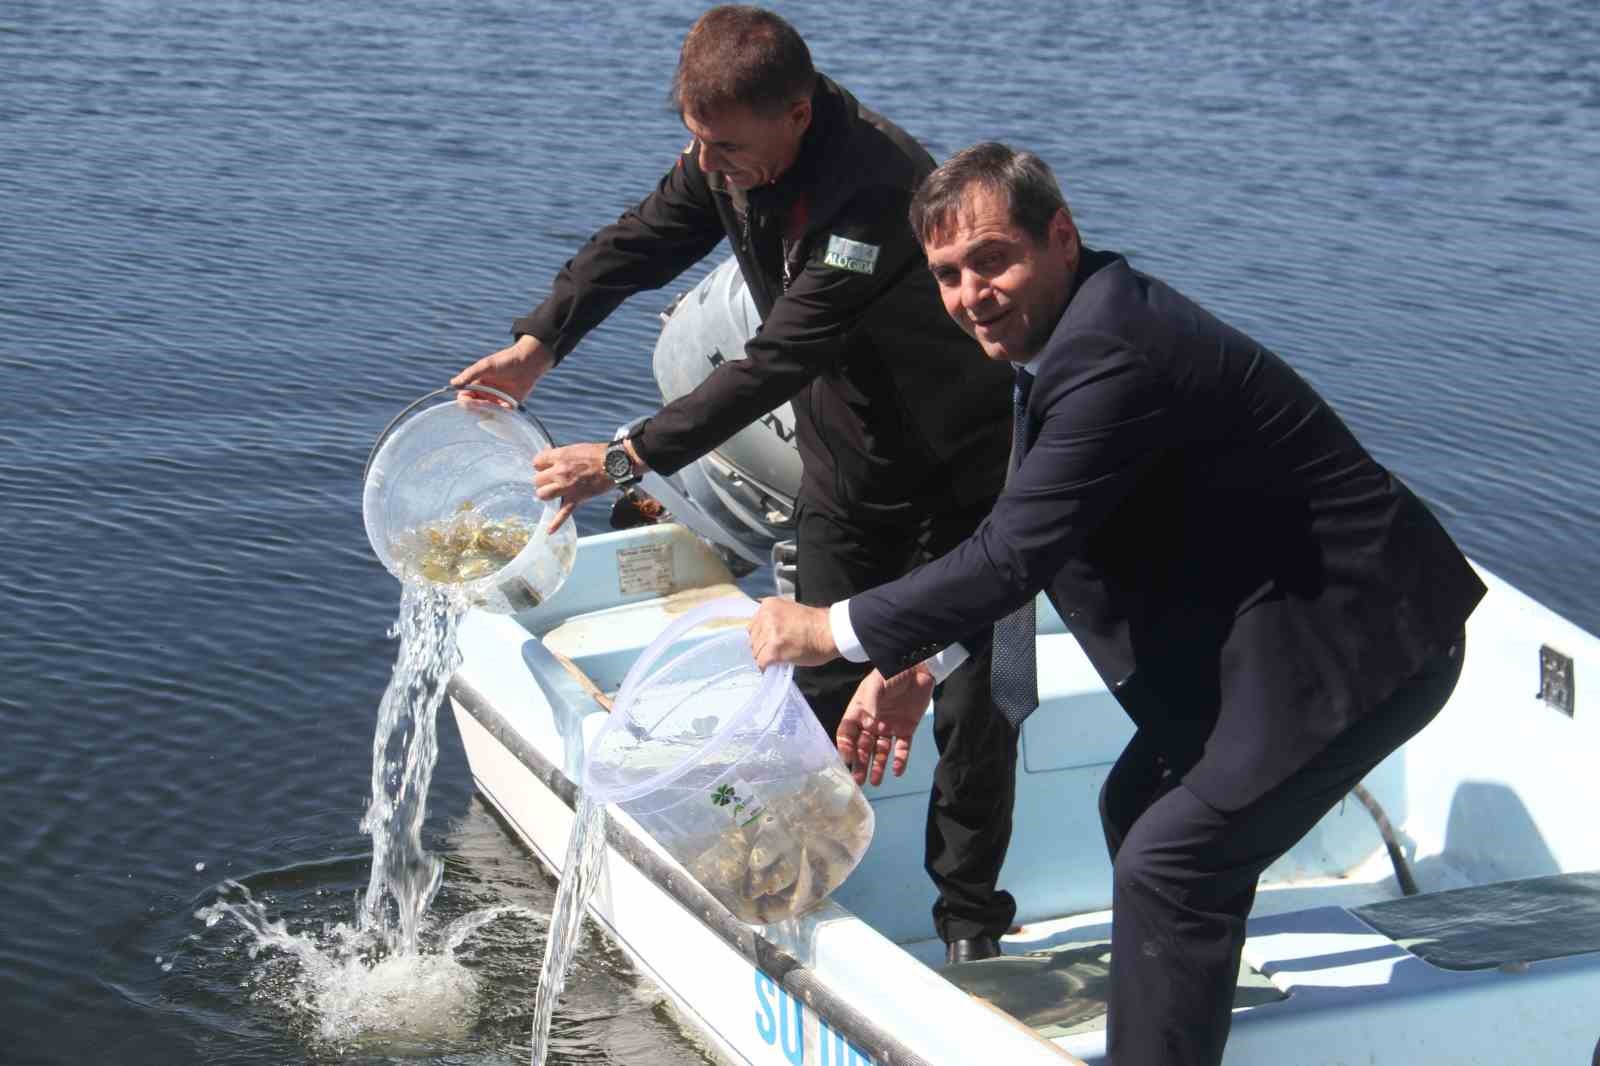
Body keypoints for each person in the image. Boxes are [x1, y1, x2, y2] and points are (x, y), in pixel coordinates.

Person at [748, 142, 1486, 1066]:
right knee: (1143, 808)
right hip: (1264, 618)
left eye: (992, 259)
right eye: (947, 274)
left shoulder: (1114, 355)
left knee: (1171, 864)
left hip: (1362, 638)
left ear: (1062, 237)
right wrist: (924, 663)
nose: (972, 293)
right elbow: (1033, 542)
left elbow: (1009, 556)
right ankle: (1176, 1018)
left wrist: (830, 628)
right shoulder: (1073, 336)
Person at [451, 7, 1021, 961]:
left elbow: (778, 360)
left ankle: (970, 928)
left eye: (724, 146)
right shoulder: (729, 154)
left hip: (966, 474)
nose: (707, 165)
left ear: (795, 115)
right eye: (696, 141)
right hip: (849, 464)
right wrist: (537, 343)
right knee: (816, 672)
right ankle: (792, 885)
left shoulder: (876, 191)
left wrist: (626, 458)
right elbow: (639, 240)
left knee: (972, 708)